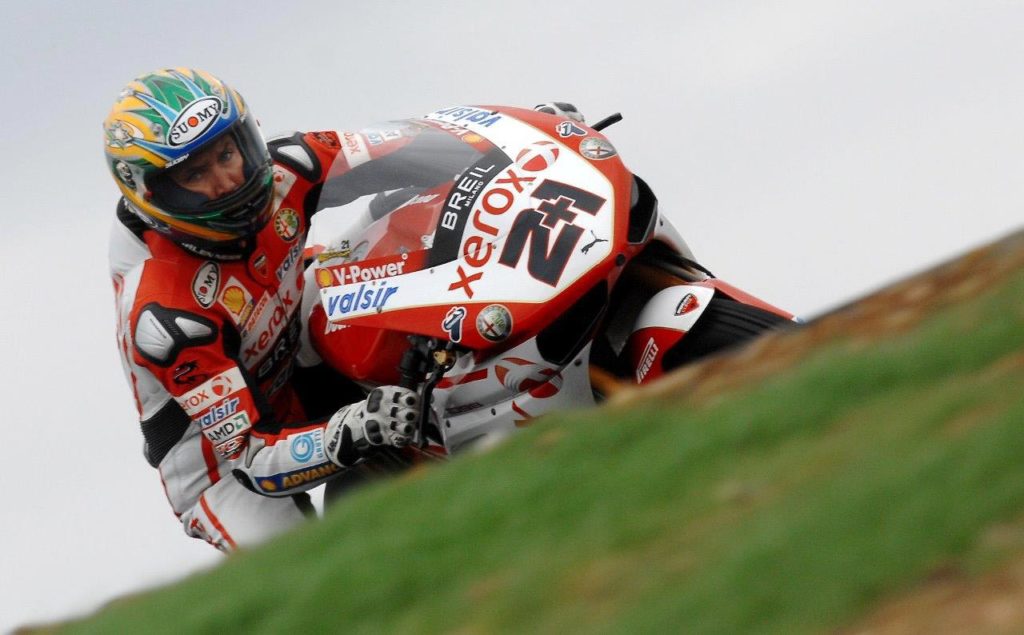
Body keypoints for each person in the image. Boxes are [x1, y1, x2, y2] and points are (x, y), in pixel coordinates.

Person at [105, 68, 422, 552]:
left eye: (227, 154)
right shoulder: (164, 316)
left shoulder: (287, 164)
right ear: (151, 194)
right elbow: (250, 457)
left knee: (398, 212)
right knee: (312, 573)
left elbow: (418, 145)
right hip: (225, 464)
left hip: (296, 354)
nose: (228, 180)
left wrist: (534, 137)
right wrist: (356, 430)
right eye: (194, 175)